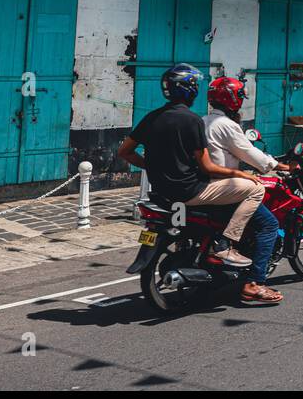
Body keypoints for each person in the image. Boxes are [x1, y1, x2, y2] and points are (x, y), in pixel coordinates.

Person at [116, 65, 276, 308]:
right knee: (255, 189)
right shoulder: (191, 120)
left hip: (161, 193)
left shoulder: (151, 117)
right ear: (189, 90)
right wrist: (239, 173)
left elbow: (124, 152)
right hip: (191, 191)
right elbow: (208, 168)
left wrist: (151, 165)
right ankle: (225, 245)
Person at [202, 75, 292, 306]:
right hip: (223, 188)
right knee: (269, 224)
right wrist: (278, 165)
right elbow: (250, 153)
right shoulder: (227, 126)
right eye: (239, 96)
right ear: (232, 99)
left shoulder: (203, 120)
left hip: (202, 186)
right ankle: (254, 283)